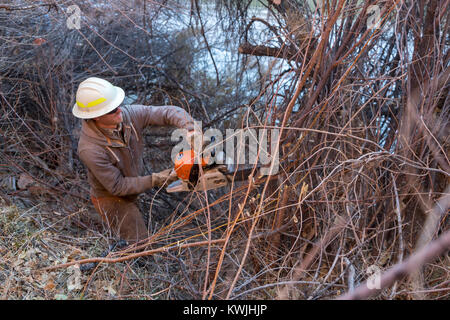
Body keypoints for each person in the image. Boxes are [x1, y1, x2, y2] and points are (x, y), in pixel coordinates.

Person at [72, 77, 197, 244]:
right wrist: (160, 178)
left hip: (132, 185)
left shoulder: (128, 115)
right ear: (96, 117)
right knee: (139, 245)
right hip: (111, 198)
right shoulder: (90, 149)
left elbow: (165, 112)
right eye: (112, 110)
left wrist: (190, 128)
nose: (119, 111)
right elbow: (118, 186)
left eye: (117, 105)